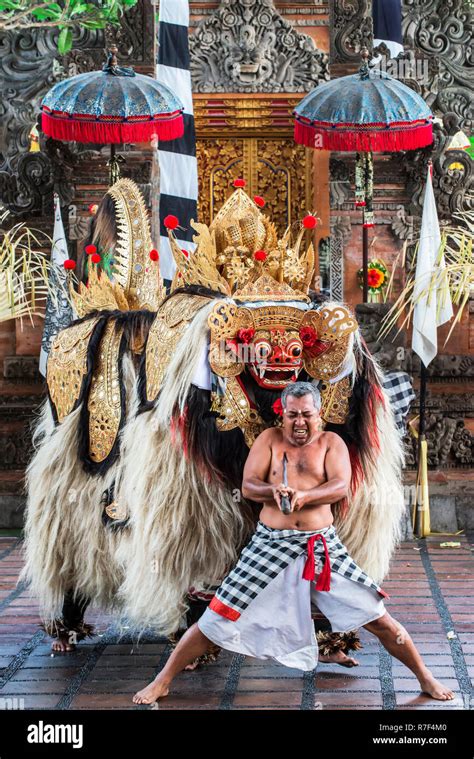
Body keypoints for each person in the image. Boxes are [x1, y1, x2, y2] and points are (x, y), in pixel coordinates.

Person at [133, 382, 455, 704]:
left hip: (321, 545)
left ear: (319, 415)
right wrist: (272, 492)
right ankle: (162, 681)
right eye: (292, 416)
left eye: (306, 415)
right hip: (269, 544)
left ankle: (425, 677)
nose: (299, 423)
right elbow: (248, 485)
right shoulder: (269, 441)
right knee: (216, 616)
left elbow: (340, 486)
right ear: (282, 416)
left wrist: (304, 497)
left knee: (377, 616)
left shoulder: (332, 443)